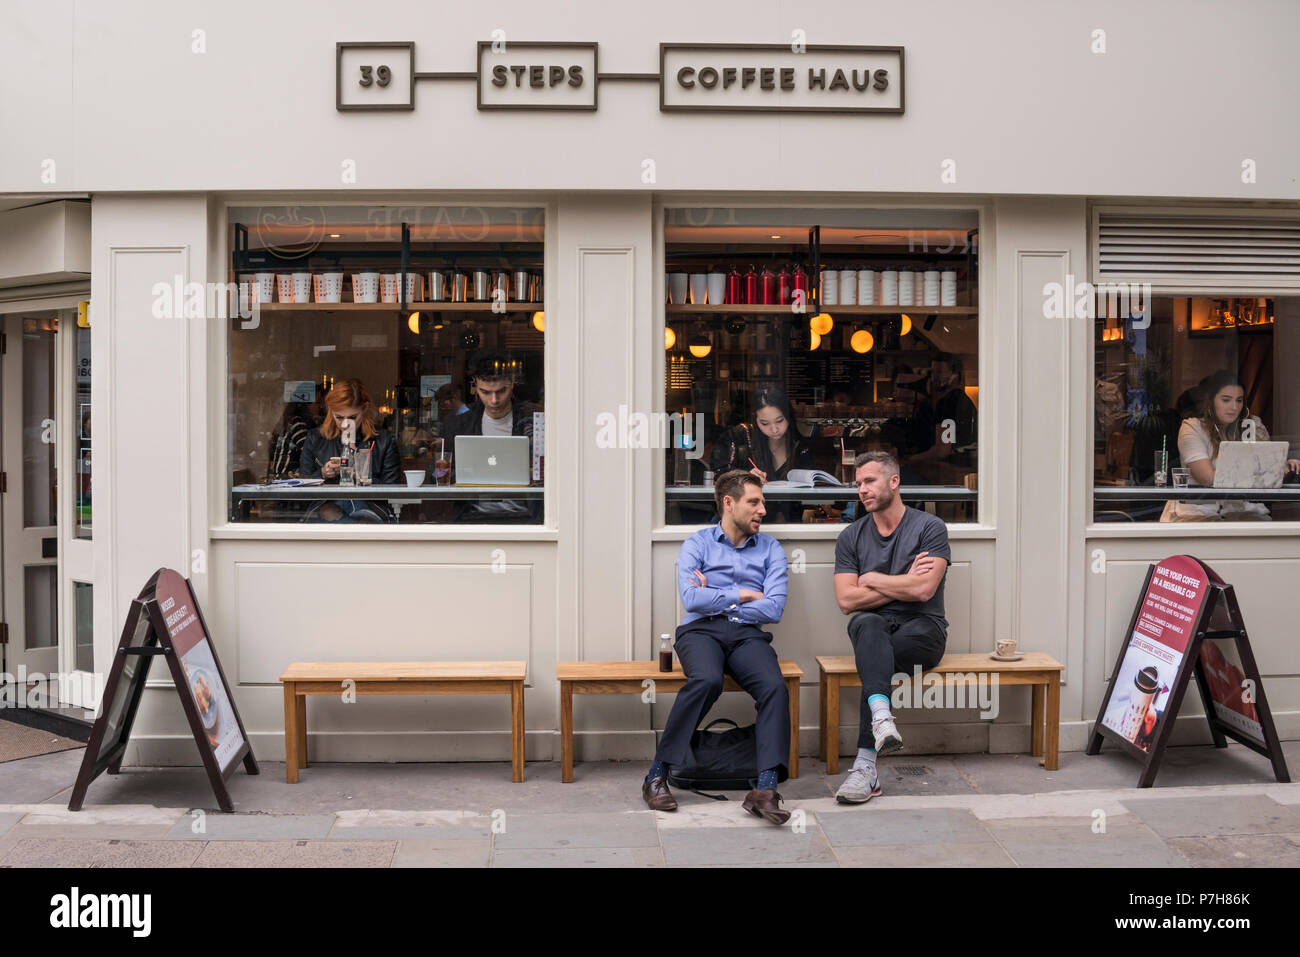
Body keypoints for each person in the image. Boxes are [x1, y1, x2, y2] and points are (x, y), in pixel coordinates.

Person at [643, 470, 792, 825]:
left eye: (763, 502)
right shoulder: (698, 543)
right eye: (754, 502)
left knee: (774, 687)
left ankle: (765, 790)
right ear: (729, 503)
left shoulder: (771, 548)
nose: (763, 510)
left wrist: (718, 598)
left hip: (747, 636)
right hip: (701, 632)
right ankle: (656, 775)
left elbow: (773, 608)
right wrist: (742, 593)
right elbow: (692, 599)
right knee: (706, 680)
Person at [831, 451, 950, 804]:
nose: (861, 490)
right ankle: (878, 732)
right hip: (876, 630)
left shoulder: (929, 527)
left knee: (873, 659)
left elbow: (924, 590)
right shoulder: (851, 537)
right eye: (858, 485)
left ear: (894, 482)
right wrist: (902, 582)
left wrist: (875, 580)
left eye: (869, 481)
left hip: (923, 630)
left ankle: (866, 766)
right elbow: (846, 602)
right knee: (866, 624)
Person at [1160, 369, 1300, 522]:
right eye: (1226, 400)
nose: (1234, 407)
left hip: (1242, 513)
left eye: (1239, 400)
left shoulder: (1252, 426)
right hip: (1197, 513)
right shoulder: (1192, 427)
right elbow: (1206, 477)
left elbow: (1268, 473)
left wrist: (1283, 469)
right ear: (1211, 400)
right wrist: (1260, 474)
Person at [442, 351, 538, 523]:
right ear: (475, 387)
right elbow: (439, 477)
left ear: (512, 384)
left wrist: (534, 474)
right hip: (471, 517)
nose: (494, 400)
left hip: (524, 517)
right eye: (485, 392)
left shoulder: (531, 421)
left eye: (501, 391)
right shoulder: (459, 425)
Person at [299, 378, 401, 522]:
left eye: (353, 417)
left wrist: (358, 475)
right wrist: (323, 473)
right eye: (339, 417)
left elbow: (393, 489)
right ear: (330, 411)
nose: (346, 424)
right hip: (327, 507)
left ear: (365, 409)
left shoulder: (383, 440)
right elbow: (302, 485)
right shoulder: (316, 438)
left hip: (371, 506)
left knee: (342, 512)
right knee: (331, 510)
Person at [720, 389, 815, 523]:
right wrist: (744, 478)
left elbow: (811, 489)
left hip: (792, 525)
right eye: (765, 423)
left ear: (789, 417)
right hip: (747, 524)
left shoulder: (800, 447)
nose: (774, 429)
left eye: (780, 421)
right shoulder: (742, 439)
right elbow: (720, 480)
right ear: (755, 420)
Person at [907, 356, 977, 473]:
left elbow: (942, 450)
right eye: (933, 372)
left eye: (939, 372)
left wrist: (910, 460)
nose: (934, 377)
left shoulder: (947, 403)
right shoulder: (964, 400)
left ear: (955, 375)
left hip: (953, 470)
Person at [266, 401, 317, 482]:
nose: (321, 406)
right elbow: (309, 453)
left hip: (281, 475)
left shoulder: (289, 421)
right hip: (285, 477)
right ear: (307, 405)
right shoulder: (297, 424)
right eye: (317, 403)